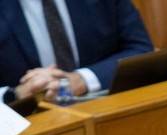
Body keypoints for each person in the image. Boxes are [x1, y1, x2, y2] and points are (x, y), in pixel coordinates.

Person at [0, 0, 152, 104]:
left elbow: (141, 49)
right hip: (26, 126)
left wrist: (81, 80)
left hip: (106, 105)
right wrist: (16, 94)